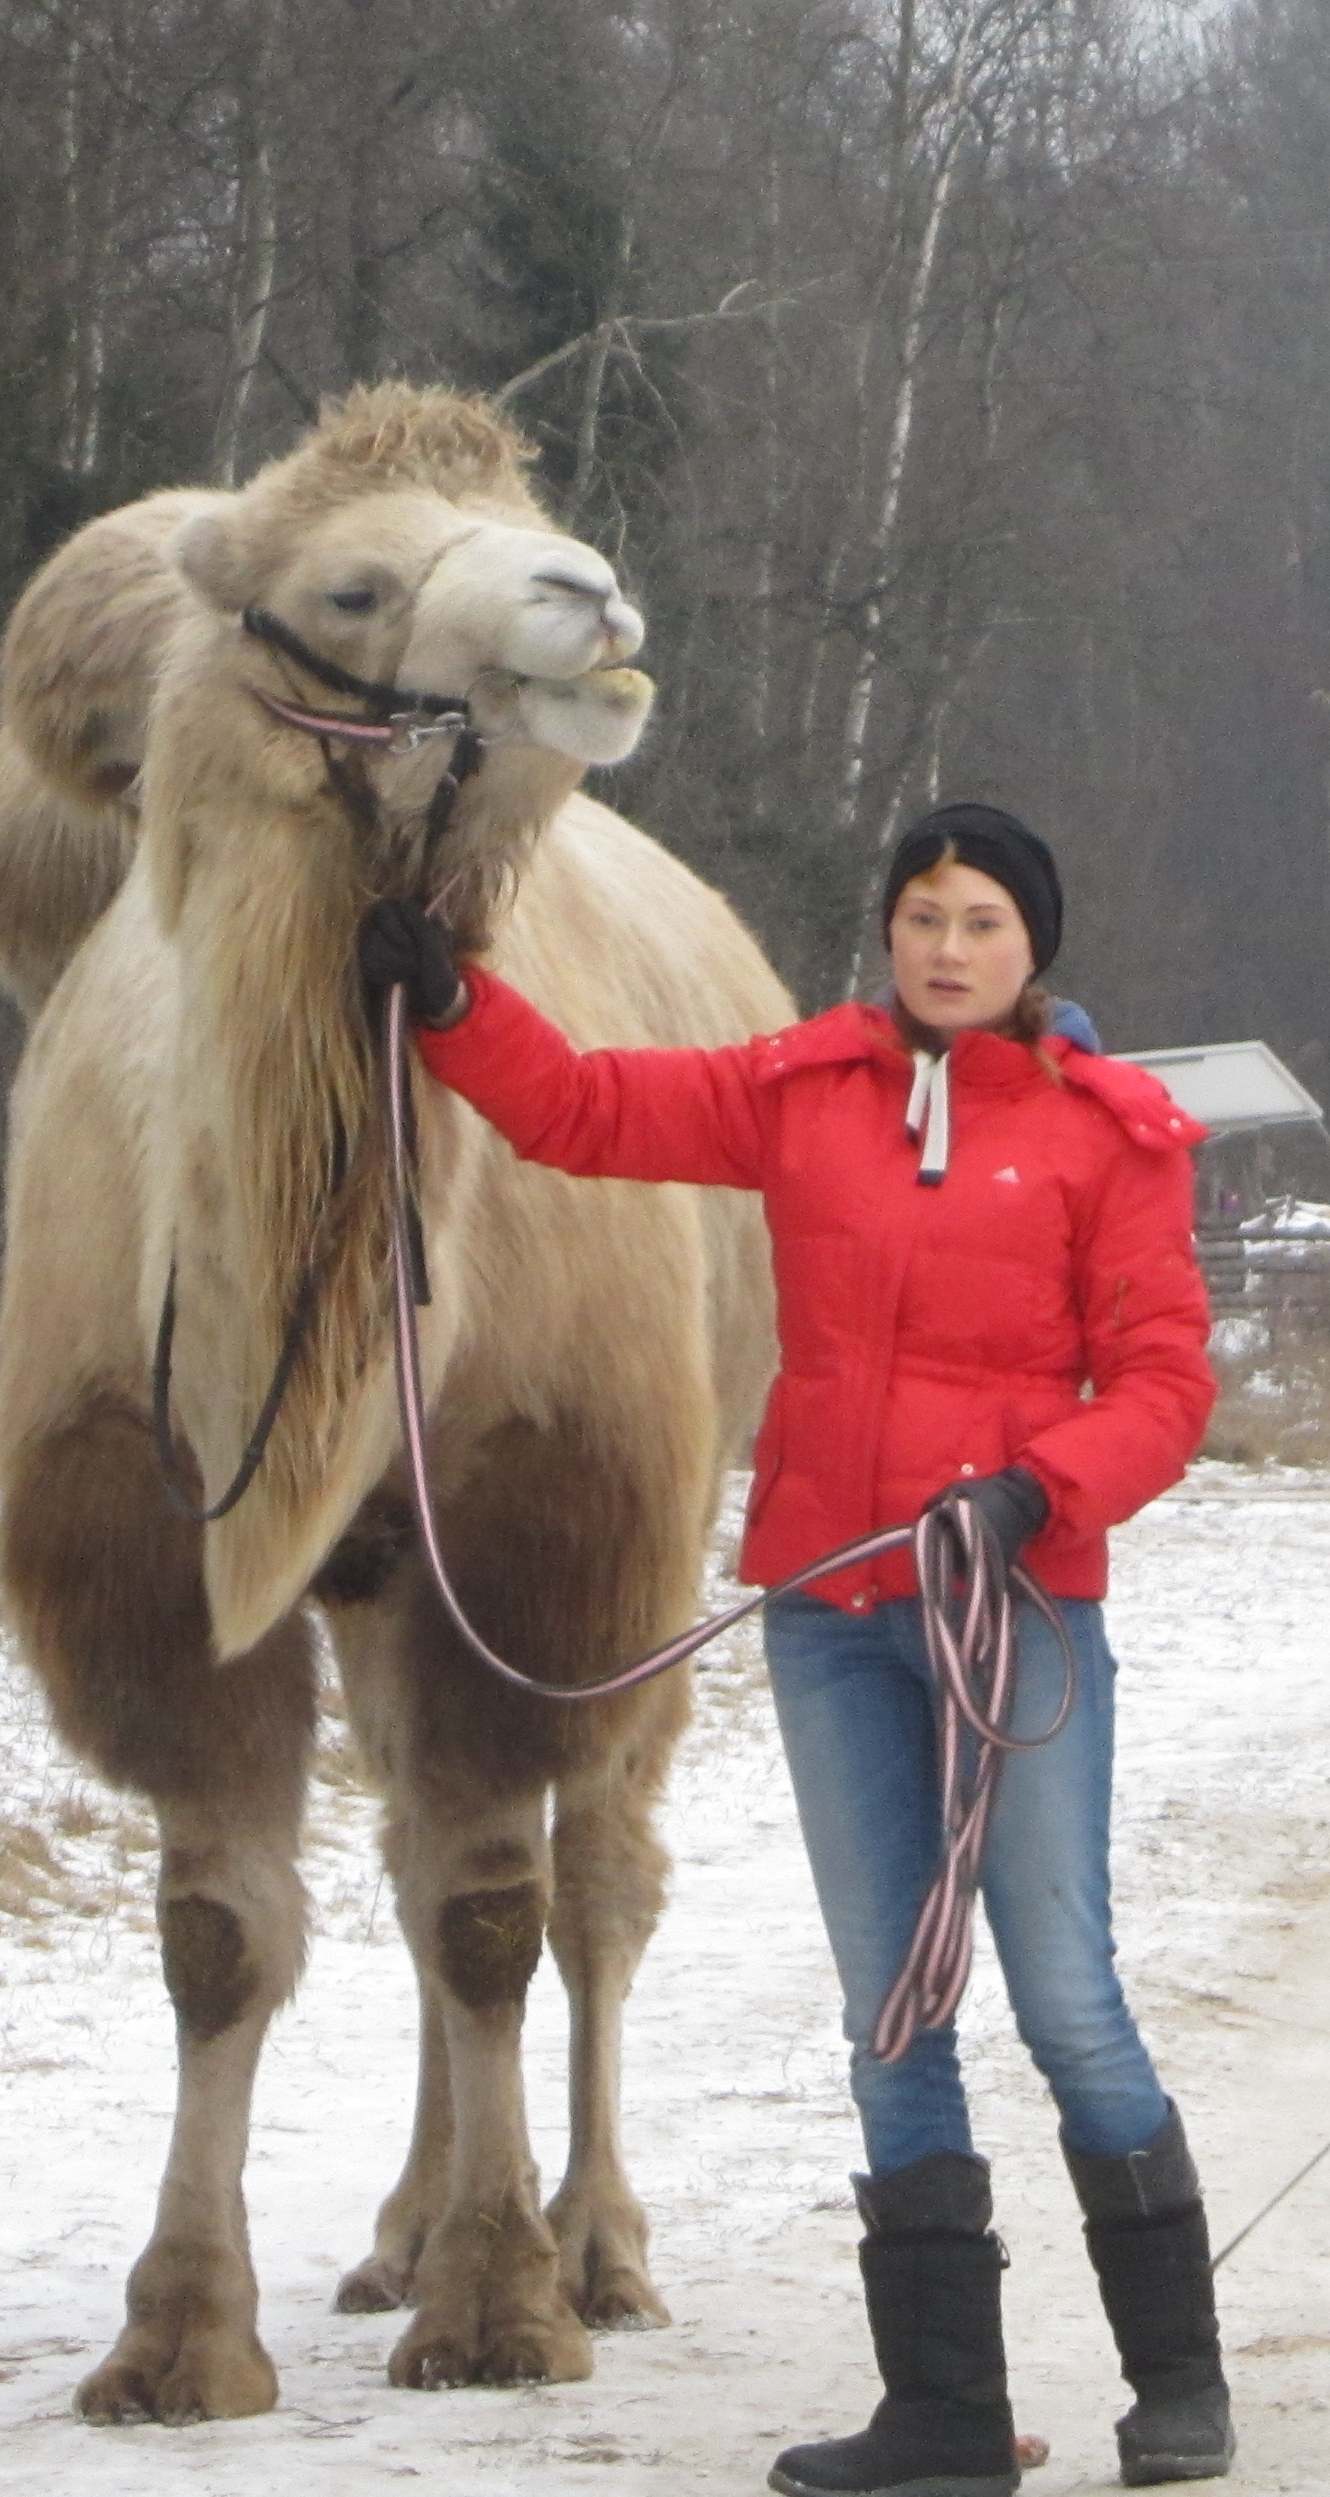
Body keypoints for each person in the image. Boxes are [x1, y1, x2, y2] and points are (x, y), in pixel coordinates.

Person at [358, 803, 1227, 2497]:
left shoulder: (1109, 1138)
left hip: (1016, 1614)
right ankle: (945, 2411)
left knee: (1068, 2000)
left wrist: (1039, 1489)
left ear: (1034, 947)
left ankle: (1179, 2382)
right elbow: (584, 1110)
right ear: (890, 932)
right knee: (891, 2015)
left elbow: (1167, 1382)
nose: (949, 949)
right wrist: (455, 1005)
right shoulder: (805, 1092)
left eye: (982, 922)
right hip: (837, 1621)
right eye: (925, 916)